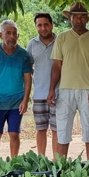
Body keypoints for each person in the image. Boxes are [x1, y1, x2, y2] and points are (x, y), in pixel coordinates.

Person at [47, 2, 89, 160]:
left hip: (87, 90)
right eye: (75, 16)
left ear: (87, 19)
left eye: (82, 16)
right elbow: (57, 66)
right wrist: (52, 89)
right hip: (65, 90)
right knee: (63, 130)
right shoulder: (62, 38)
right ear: (69, 18)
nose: (78, 19)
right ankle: (62, 165)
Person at [0, 20, 33, 158]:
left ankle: (14, 162)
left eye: (14, 33)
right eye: (8, 33)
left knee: (14, 134)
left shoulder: (23, 55)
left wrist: (25, 100)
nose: (12, 36)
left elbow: (28, 79)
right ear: (0, 34)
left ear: (18, 36)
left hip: (16, 102)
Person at [27, 12, 57, 157]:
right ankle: (41, 160)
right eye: (39, 25)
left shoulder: (61, 41)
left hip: (58, 94)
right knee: (41, 129)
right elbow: (28, 69)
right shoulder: (32, 44)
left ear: (52, 25)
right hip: (39, 94)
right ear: (36, 27)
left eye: (46, 24)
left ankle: (58, 163)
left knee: (57, 129)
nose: (43, 28)